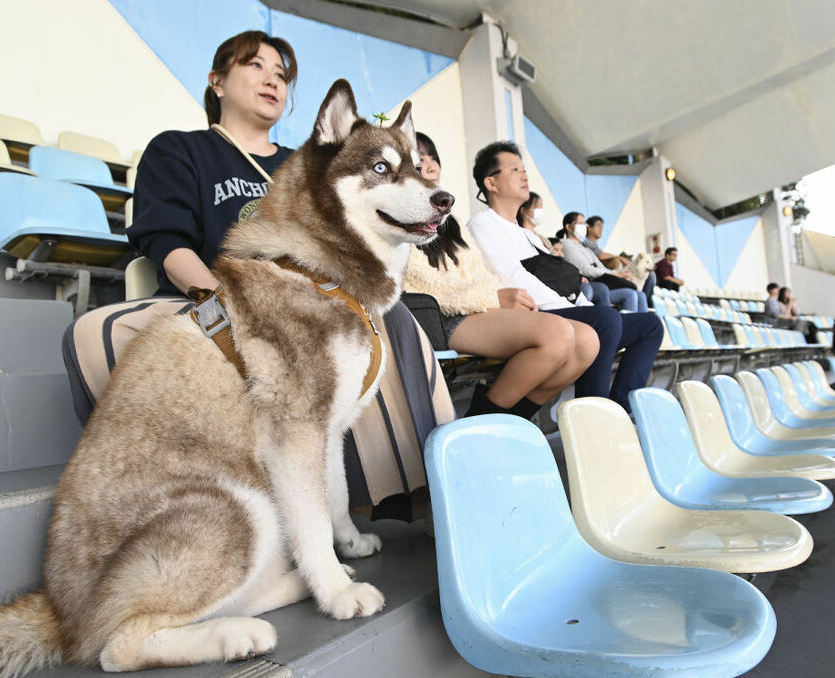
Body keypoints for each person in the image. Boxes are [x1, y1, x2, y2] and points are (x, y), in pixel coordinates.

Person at [62, 31, 451, 520]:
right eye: (255, 66)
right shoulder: (181, 150)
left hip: (319, 307)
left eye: (282, 74)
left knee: (393, 322)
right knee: (94, 332)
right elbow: (166, 239)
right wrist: (217, 300)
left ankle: (421, 491)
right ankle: (148, 493)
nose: (272, 80)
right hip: (211, 300)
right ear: (217, 81)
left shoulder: (310, 162)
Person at [407, 133, 598, 420]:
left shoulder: (452, 221)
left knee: (587, 341)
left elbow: (479, 272)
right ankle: (479, 422)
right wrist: (492, 297)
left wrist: (500, 297)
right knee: (558, 334)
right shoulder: (397, 218)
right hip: (443, 317)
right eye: (420, 160)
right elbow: (421, 284)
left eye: (434, 158)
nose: (431, 166)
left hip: (479, 307)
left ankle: (513, 420)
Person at [467, 141, 663, 413]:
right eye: (514, 170)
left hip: (565, 308)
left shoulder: (527, 234)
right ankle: (595, 415)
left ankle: (621, 406)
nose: (524, 175)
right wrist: (574, 308)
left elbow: (558, 277)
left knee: (650, 325)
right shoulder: (484, 223)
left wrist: (583, 306)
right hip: (537, 313)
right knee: (605, 320)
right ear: (491, 182)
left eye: (524, 169)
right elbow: (512, 276)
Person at [516, 196, 608, 308]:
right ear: (523, 210)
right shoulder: (520, 235)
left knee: (601, 290)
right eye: (537, 206)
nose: (540, 210)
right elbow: (546, 264)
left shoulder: (542, 238)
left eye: (541, 206)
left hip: (562, 277)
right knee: (586, 289)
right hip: (548, 281)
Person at [558, 212, 647, 313]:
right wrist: (615, 274)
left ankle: (642, 326)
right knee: (630, 293)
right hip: (590, 282)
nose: (584, 226)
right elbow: (585, 269)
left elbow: (602, 267)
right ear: (568, 227)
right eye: (580, 223)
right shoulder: (566, 244)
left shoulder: (585, 247)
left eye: (584, 223)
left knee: (640, 294)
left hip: (601, 280)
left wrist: (619, 275)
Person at [585, 215, 656, 304]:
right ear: (589, 227)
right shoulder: (586, 243)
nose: (601, 229)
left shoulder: (595, 245)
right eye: (598, 225)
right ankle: (648, 301)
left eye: (602, 226)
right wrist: (619, 258)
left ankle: (646, 301)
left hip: (607, 274)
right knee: (633, 285)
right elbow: (601, 256)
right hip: (600, 277)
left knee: (646, 278)